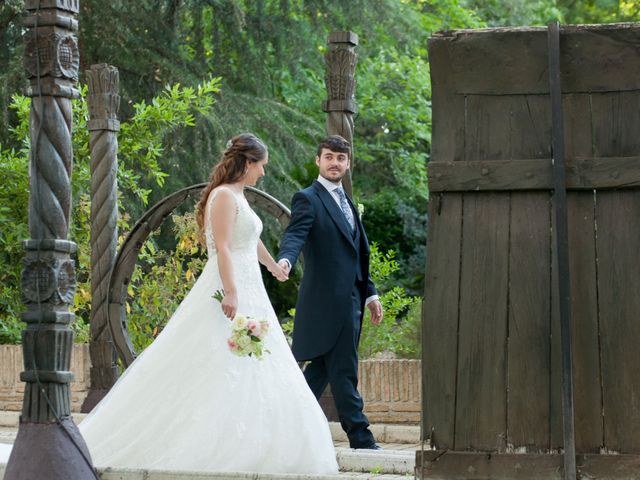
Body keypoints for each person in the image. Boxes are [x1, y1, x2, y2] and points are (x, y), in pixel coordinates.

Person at [44, 133, 338, 474]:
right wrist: (230, 291)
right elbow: (224, 247)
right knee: (219, 356)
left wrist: (272, 265)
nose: (263, 173)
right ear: (246, 163)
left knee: (252, 361)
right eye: (261, 166)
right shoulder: (224, 196)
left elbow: (248, 240)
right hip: (231, 284)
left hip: (251, 285)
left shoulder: (240, 195)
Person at [277, 134, 384, 450]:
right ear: (318, 160)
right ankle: (360, 437)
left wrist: (371, 293)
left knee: (320, 374)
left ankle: (284, 427)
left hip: (351, 300)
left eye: (340, 158)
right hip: (327, 304)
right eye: (329, 157)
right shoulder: (307, 198)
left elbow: (357, 253)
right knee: (344, 370)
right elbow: (296, 234)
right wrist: (285, 258)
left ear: (348, 163)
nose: (335, 163)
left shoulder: (349, 201)